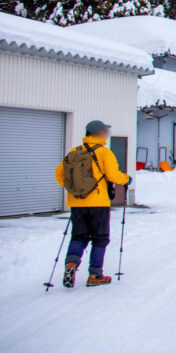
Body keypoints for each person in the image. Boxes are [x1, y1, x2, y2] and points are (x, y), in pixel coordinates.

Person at [54, 120, 131, 288]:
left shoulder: (74, 152)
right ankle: (95, 274)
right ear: (98, 133)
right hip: (98, 203)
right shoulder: (104, 152)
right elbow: (112, 175)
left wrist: (73, 190)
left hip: (77, 203)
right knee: (100, 237)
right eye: (105, 131)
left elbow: (59, 174)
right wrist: (127, 179)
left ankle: (71, 264)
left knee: (78, 235)